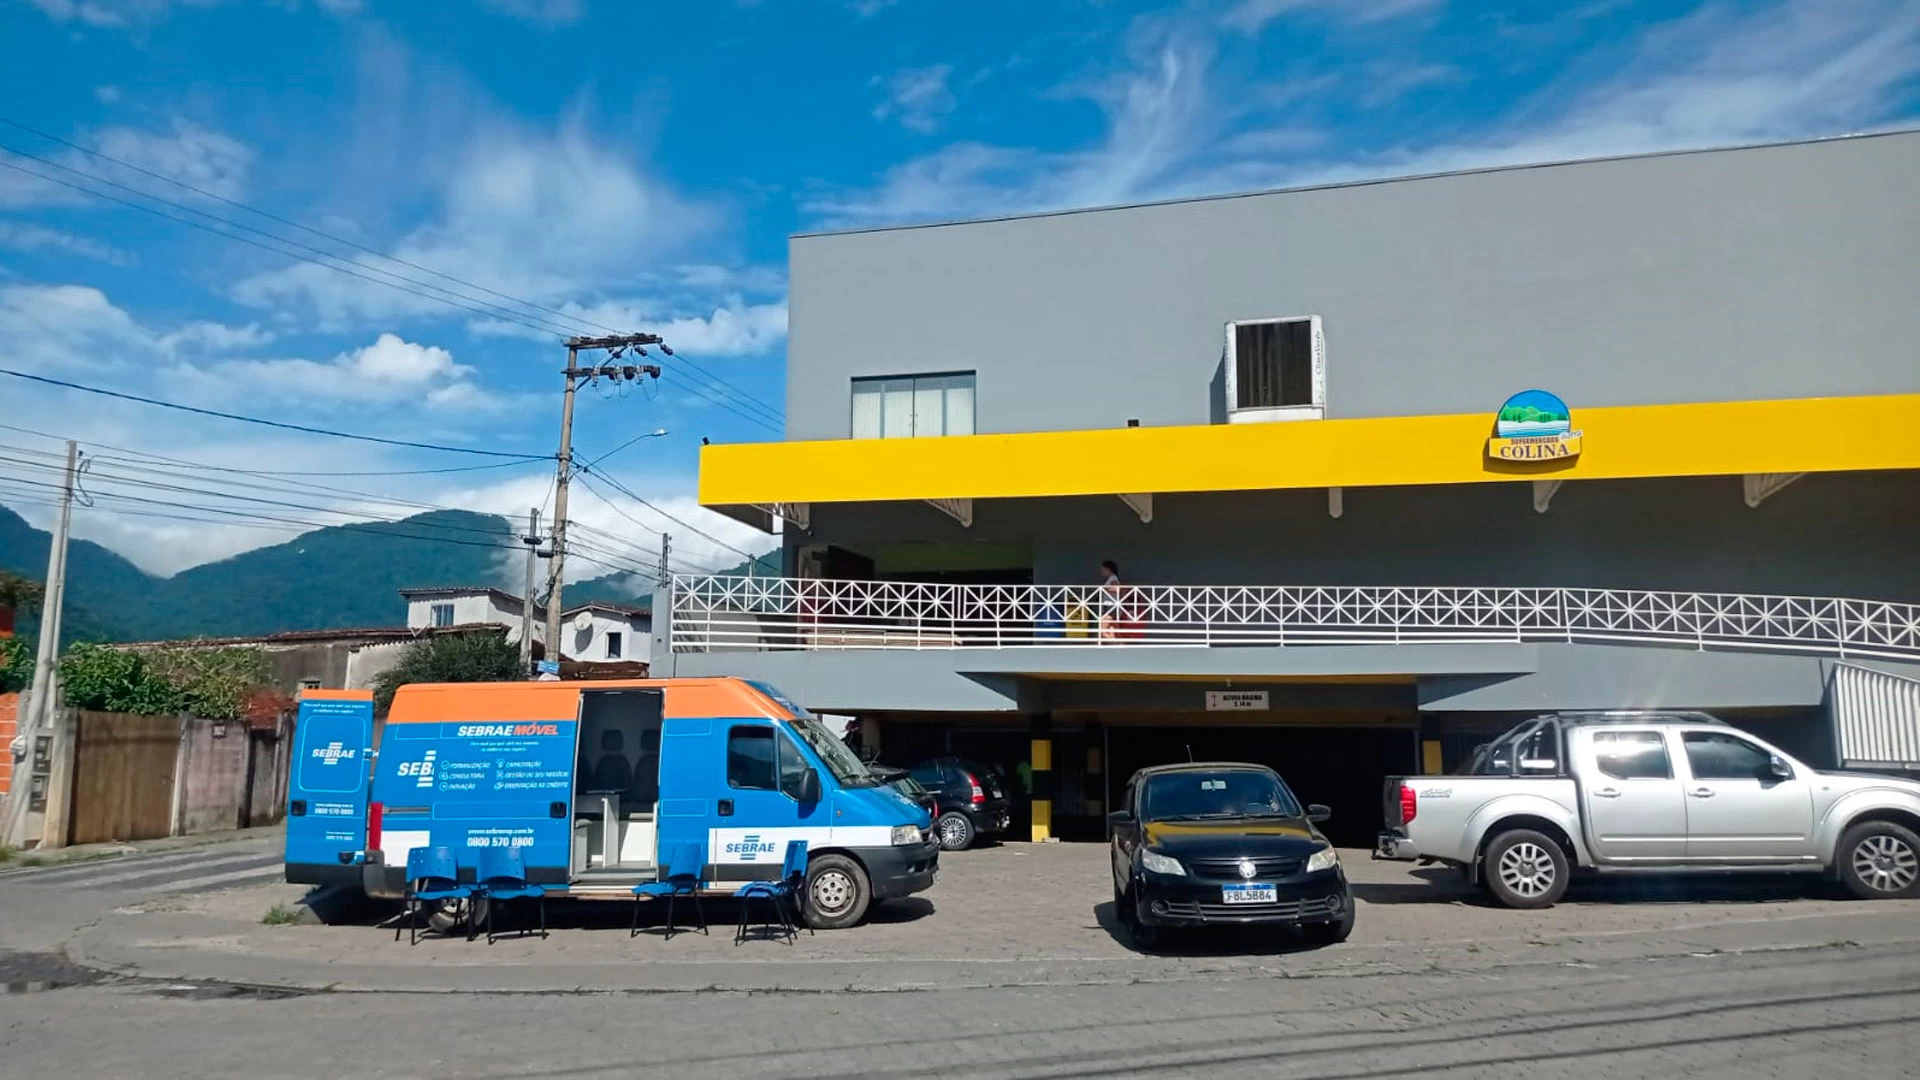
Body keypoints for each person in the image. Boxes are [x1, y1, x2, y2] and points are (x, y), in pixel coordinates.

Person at [1097, 559, 1122, 640]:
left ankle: (1114, 643)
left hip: (1110, 606)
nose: (1101, 572)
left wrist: (1104, 589)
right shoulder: (1111, 578)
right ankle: (1120, 644)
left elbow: (1116, 588)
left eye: (1103, 570)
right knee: (1114, 632)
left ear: (1108, 569)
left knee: (1102, 631)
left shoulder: (1113, 578)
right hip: (1111, 606)